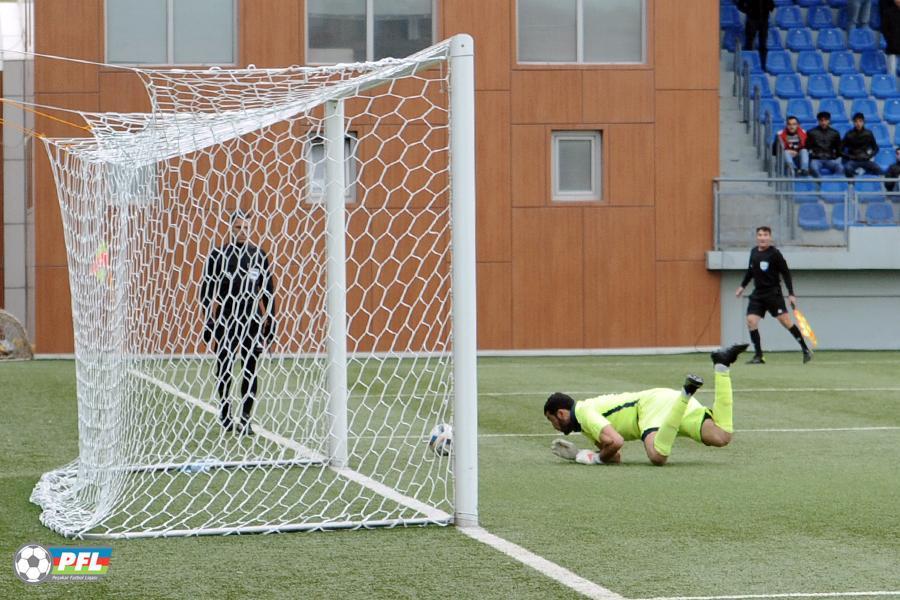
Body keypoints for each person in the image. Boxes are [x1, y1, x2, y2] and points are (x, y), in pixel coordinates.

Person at [545, 344, 748, 467]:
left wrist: (595, 459)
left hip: (649, 407)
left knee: (657, 456)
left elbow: (616, 442)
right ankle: (722, 366)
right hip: (666, 403)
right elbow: (615, 457)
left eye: (550, 419)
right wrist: (579, 455)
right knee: (722, 436)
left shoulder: (583, 412)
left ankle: (685, 395)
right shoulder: (585, 423)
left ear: (561, 413)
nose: (553, 425)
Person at [201, 210, 276, 435]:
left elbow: (268, 291)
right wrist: (208, 321)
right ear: (231, 229)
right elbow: (206, 292)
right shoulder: (218, 255)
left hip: (251, 320)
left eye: (246, 228)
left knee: (250, 370)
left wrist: (270, 321)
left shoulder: (258, 255)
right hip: (226, 319)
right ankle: (225, 414)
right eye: (238, 227)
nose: (242, 231)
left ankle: (245, 419)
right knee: (224, 368)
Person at [736, 226, 813, 364]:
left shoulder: (775, 254)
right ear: (757, 237)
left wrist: (791, 294)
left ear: (770, 237)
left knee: (785, 321)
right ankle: (759, 356)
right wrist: (742, 286)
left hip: (773, 294)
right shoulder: (754, 252)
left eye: (765, 235)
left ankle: (805, 349)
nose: (762, 238)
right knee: (751, 321)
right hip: (758, 294)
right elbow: (750, 271)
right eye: (760, 235)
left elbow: (786, 273)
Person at [738, 0, 775, 71]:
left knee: (763, 45)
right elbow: (739, 4)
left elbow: (772, 6)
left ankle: (763, 66)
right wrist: (748, 11)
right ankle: (749, 67)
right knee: (749, 44)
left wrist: (768, 6)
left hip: (764, 21)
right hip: (752, 20)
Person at [842, 113, 882, 177]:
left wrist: (869, 156)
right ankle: (853, 182)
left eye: (860, 121)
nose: (858, 124)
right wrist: (850, 156)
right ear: (853, 122)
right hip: (853, 160)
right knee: (847, 168)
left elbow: (876, 148)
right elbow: (840, 150)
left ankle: (872, 182)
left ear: (863, 122)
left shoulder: (868, 133)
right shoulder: (849, 134)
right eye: (856, 121)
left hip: (865, 160)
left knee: (878, 169)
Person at [806, 111, 843, 177]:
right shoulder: (811, 132)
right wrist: (812, 155)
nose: (823, 122)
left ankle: (832, 182)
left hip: (830, 159)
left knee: (840, 168)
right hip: (816, 159)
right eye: (821, 120)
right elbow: (807, 147)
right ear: (818, 121)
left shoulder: (835, 133)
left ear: (829, 121)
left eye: (825, 120)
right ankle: (821, 182)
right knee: (814, 168)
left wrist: (834, 157)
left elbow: (839, 149)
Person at [880, 0, 900, 75]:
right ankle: (891, 80)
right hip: (892, 43)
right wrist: (890, 40)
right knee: (891, 70)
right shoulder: (888, 13)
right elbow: (884, 29)